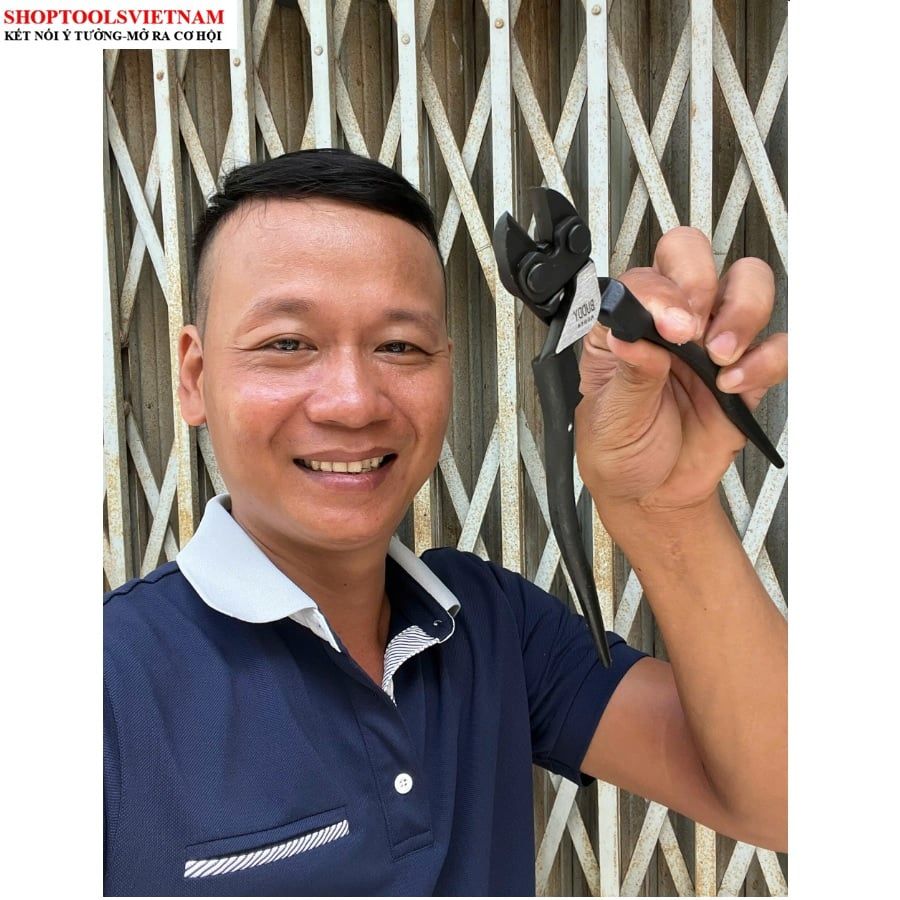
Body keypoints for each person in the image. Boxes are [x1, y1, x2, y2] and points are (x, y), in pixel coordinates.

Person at [103, 148, 787, 896]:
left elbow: (785, 800)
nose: (353, 402)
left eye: (400, 346)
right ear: (195, 376)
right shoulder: (106, 682)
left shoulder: (492, 625)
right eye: (288, 344)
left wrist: (667, 509)